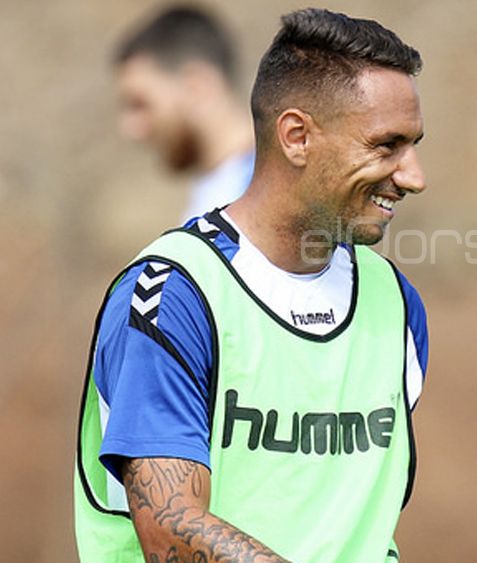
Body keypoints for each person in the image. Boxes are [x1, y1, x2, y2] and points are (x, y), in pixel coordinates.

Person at [76, 9, 429, 562]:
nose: (414, 177)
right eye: (387, 146)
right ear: (296, 137)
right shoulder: (171, 296)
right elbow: (170, 532)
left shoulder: (396, 304)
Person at [115, 5, 255, 223]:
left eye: (141, 104)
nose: (131, 129)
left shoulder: (274, 197)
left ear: (196, 87)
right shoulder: (216, 196)